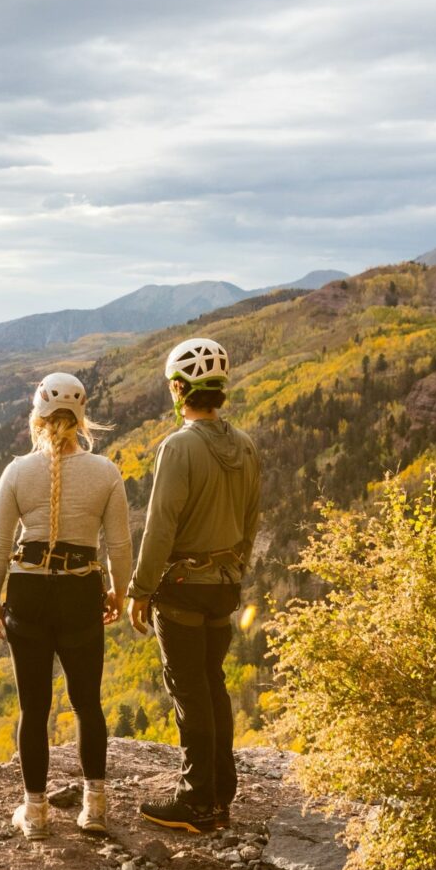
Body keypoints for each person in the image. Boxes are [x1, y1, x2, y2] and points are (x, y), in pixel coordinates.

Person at [0, 372, 131, 839]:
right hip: (79, 592)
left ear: (37, 416)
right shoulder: (105, 472)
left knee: (34, 708)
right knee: (88, 704)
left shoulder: (17, 472)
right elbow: (120, 546)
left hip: (27, 593)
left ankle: (37, 813)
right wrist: (118, 593)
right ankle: (96, 808)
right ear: (82, 417)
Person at [126, 337, 260, 834]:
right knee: (214, 685)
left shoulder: (178, 446)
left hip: (182, 585)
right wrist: (235, 568)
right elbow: (251, 518)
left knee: (189, 692)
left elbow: (161, 526)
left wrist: (139, 590)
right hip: (224, 584)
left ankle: (196, 799)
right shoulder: (244, 445)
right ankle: (222, 793)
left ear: (180, 388)